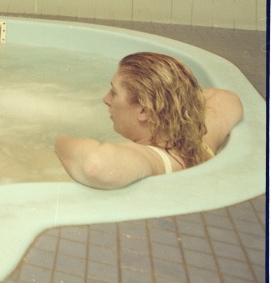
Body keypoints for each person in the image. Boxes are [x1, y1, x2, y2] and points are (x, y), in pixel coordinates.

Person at [54, 51, 243, 189]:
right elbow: (227, 97)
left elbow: (95, 166)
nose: (106, 99)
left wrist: (59, 142)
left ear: (144, 111)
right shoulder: (202, 140)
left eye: (114, 92)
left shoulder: (156, 160)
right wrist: (173, 99)